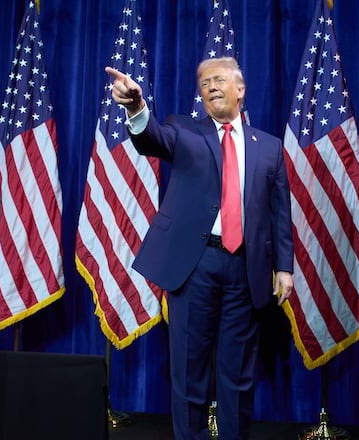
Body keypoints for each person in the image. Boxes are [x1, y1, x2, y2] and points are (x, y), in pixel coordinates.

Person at [105, 57, 294, 440]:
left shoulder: (269, 147)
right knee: (189, 372)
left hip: (247, 269)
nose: (211, 86)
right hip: (195, 266)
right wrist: (136, 107)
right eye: (205, 82)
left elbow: (279, 213)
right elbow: (151, 138)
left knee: (237, 376)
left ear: (240, 89)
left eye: (219, 79)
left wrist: (285, 267)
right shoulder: (184, 131)